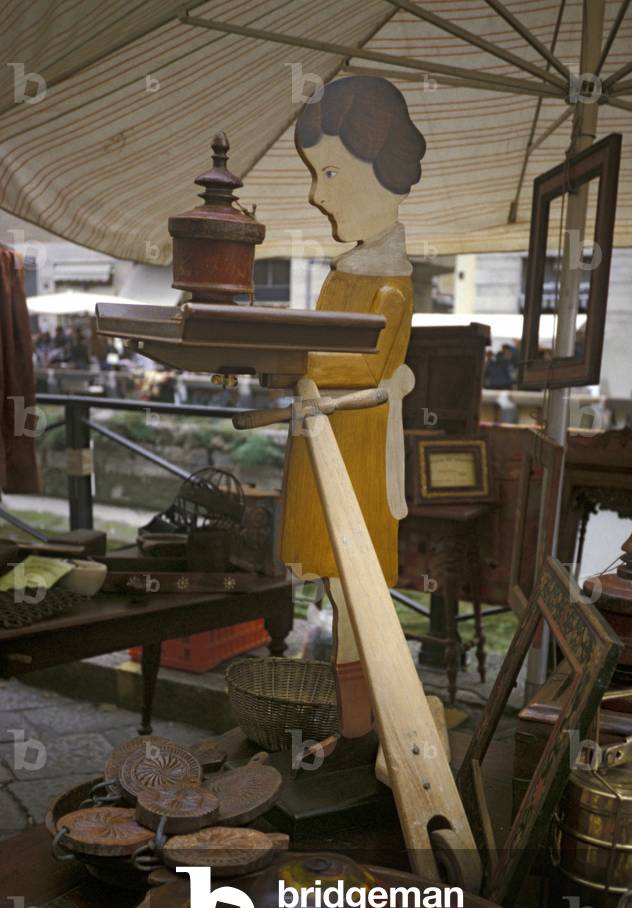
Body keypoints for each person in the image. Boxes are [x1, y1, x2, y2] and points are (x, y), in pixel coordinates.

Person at [278, 76, 425, 737]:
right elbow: (322, 346)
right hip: (328, 440)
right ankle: (357, 727)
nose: (317, 191)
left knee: (358, 586)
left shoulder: (392, 282)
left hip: (356, 448)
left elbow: (365, 362)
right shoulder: (347, 272)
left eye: (330, 170)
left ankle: (371, 726)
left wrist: (285, 359)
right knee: (340, 588)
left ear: (382, 169)